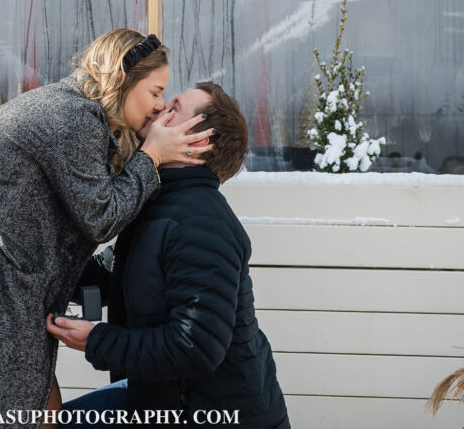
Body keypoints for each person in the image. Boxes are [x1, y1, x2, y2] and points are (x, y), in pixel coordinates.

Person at [0, 29, 212, 428]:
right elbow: (101, 215)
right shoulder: (74, 118)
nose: (158, 108)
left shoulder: (76, 112)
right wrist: (153, 156)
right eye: (155, 92)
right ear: (123, 79)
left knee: (34, 410)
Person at [48, 81, 291, 429]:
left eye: (175, 107)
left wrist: (97, 340)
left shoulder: (199, 221)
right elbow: (106, 277)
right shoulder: (160, 206)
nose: (160, 108)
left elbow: (195, 345)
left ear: (198, 142)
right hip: (158, 401)